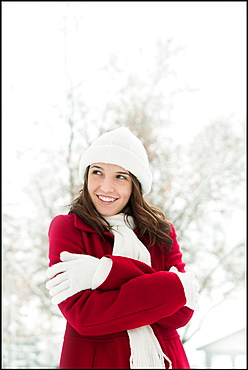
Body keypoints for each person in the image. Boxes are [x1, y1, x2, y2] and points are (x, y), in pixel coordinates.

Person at [46, 126, 200, 369]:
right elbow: (84, 317)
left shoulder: (162, 233)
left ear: (135, 185)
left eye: (120, 176)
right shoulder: (67, 228)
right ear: (86, 176)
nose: (105, 187)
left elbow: (181, 312)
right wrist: (166, 287)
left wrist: (103, 272)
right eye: (97, 172)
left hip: (165, 360)